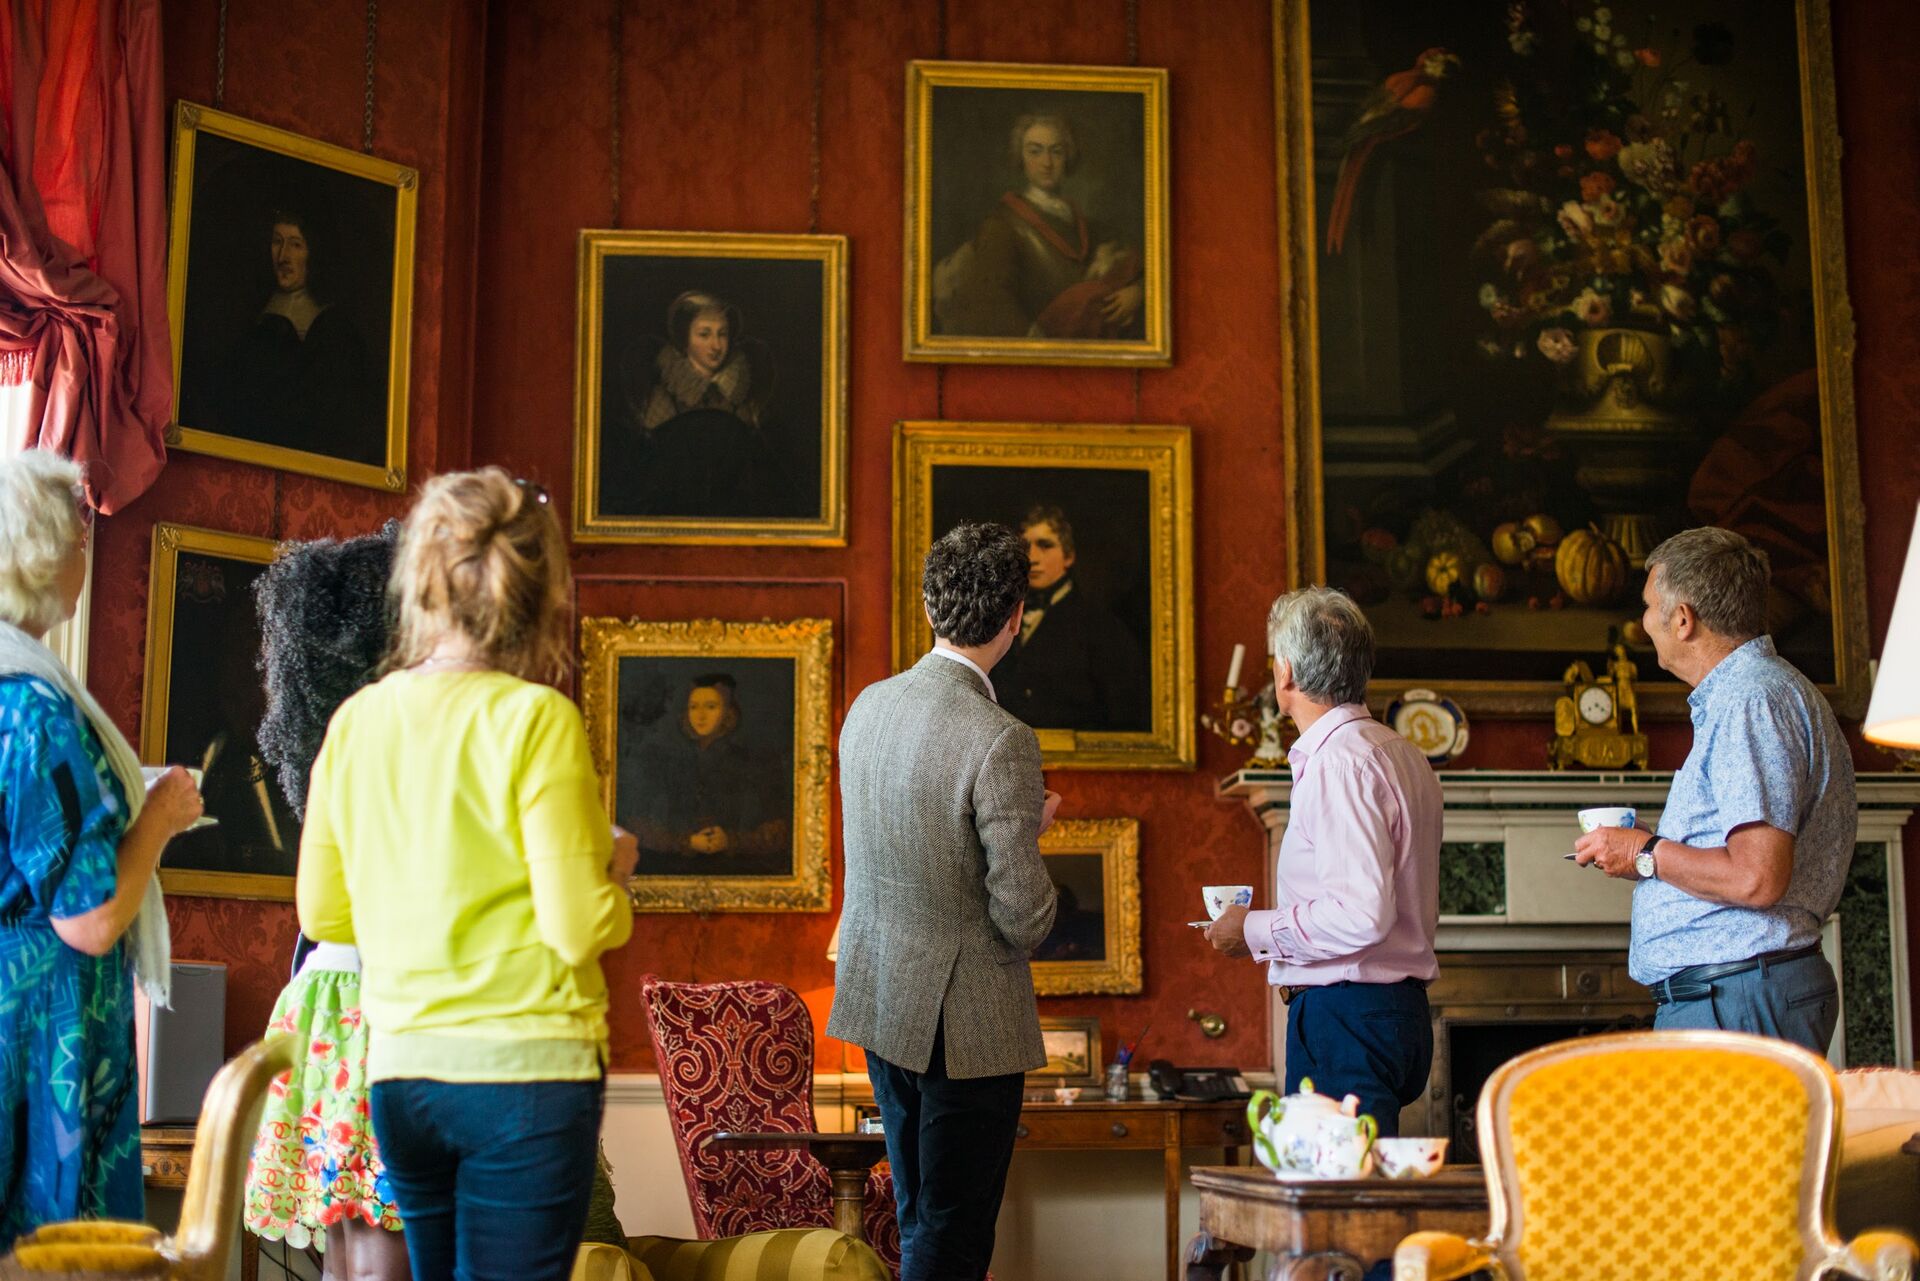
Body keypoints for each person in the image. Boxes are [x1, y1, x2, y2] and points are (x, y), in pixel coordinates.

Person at [296, 469, 638, 1281]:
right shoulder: (535, 718)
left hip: (404, 1072)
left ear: (421, 578)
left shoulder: (356, 722)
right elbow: (577, 926)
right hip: (525, 1074)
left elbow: (325, 913)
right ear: (537, 589)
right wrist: (614, 869)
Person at [828, 521, 1061, 1281]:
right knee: (954, 1236)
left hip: (885, 1005)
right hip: (967, 1026)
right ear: (1014, 616)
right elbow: (1023, 917)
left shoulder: (867, 707)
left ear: (931, 604)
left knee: (920, 1216)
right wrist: (1033, 834)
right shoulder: (1001, 738)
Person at [0, 450, 203, 1243]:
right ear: (49, 553)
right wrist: (155, 817)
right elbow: (86, 919)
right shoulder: (36, 710)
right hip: (41, 1031)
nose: (88, 546)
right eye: (82, 530)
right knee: (52, 1255)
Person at [1573, 527, 1854, 1055]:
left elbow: (1757, 878)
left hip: (1737, 998)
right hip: (1737, 993)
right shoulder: (1760, 692)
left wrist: (1645, 852)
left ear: (1683, 619)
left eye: (1650, 606)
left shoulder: (1751, 702)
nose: (1644, 622)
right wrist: (1650, 855)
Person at [1205, 586, 1440, 1139]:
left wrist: (1253, 929)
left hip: (1346, 1016)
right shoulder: (1402, 753)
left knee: (1338, 1207)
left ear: (1284, 672)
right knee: (1360, 1195)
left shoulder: (1339, 764)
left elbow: (1361, 915)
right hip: (1393, 1011)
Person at [243, 522, 411, 1280]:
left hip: (320, 1002)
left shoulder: (336, 741)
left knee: (348, 1251)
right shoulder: (395, 740)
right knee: (379, 1246)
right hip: (384, 1005)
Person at [934, 113, 1144, 340]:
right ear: (1020, 158)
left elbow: (1132, 267)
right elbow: (993, 302)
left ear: (1068, 158)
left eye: (1056, 151)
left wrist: (1139, 292)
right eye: (1035, 151)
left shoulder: (1086, 224)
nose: (1047, 163)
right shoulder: (1001, 225)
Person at [218, 207, 376, 460]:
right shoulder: (252, 315)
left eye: (295, 245)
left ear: (314, 253)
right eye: (277, 242)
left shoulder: (334, 329)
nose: (283, 257)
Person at [605, 290, 777, 518]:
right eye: (704, 335)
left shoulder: (742, 397)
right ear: (684, 339)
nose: (716, 345)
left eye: (722, 334)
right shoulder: (661, 399)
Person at [991, 505, 1148, 731]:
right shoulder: (997, 620)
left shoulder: (1102, 628)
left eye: (1045, 546)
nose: (1032, 557)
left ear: (1069, 556)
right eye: (1025, 547)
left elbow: (1124, 715)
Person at [621, 672, 789, 878]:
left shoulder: (751, 761)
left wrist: (731, 841)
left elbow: (779, 832)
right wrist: (685, 842)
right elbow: (635, 825)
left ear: (727, 712)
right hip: (673, 872)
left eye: (711, 707)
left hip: (738, 873)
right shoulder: (668, 759)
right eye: (694, 707)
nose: (700, 715)